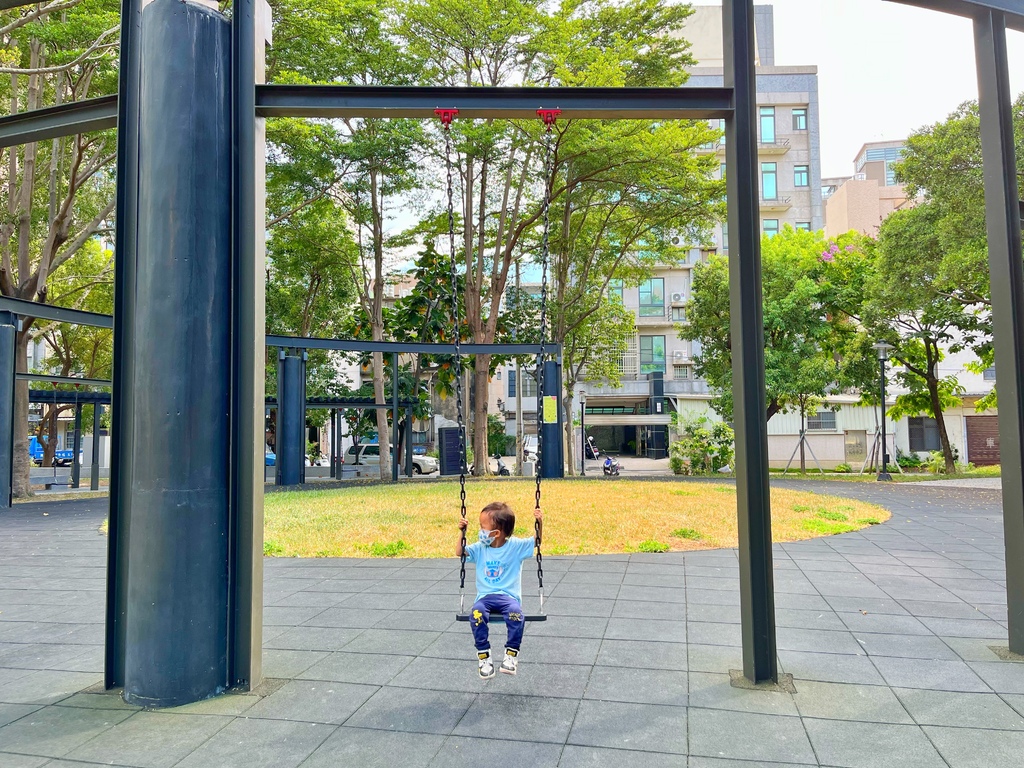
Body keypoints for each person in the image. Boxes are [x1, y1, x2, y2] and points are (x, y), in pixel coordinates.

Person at [456, 501, 543, 679]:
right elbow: (459, 552)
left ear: (497, 532)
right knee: (477, 613)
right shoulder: (480, 548)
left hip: (508, 597)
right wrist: (461, 532)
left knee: (516, 615)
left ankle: (511, 655)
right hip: (485, 597)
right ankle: (484, 656)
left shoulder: (515, 547)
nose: (480, 531)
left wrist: (539, 522)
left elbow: (537, 541)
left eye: (483, 527)